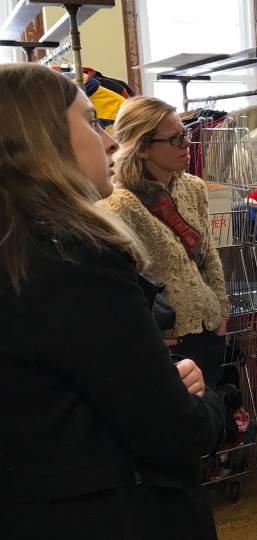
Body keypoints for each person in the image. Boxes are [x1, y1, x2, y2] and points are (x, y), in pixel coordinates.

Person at [0, 64, 225, 539]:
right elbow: (169, 429)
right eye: (91, 122)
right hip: (110, 507)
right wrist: (206, 404)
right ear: (43, 139)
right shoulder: (75, 256)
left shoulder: (20, 247)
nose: (107, 141)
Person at [105, 97, 230, 389]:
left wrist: (222, 313)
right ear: (142, 147)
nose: (187, 143)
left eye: (185, 133)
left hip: (210, 328)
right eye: (175, 139)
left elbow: (209, 255)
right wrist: (144, 336)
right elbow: (122, 283)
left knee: (211, 408)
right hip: (168, 340)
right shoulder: (120, 203)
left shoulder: (193, 187)